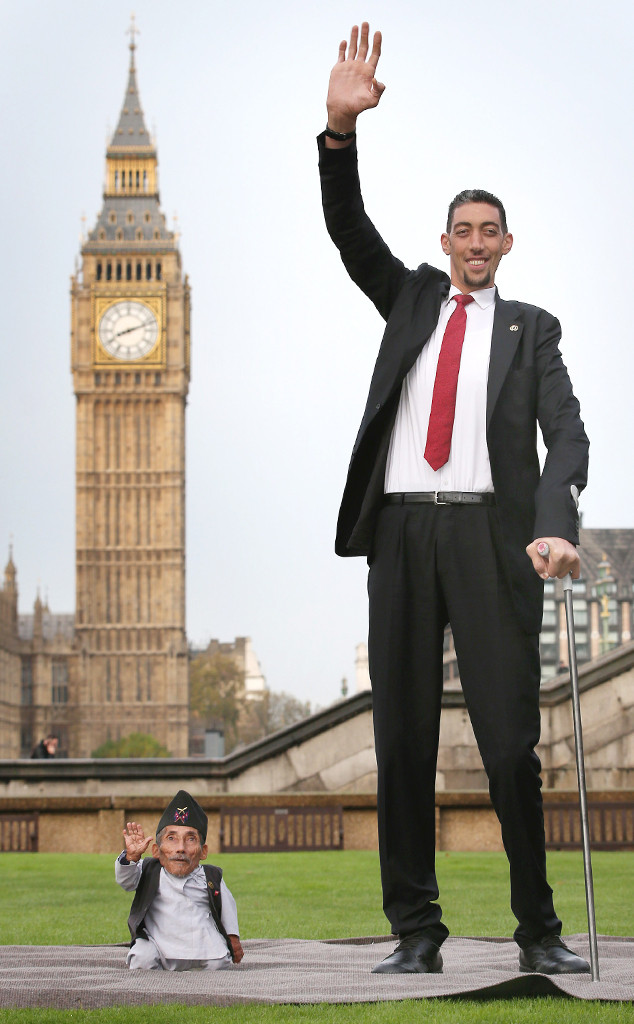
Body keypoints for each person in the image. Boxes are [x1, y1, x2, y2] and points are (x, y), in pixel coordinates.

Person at [319, 23, 590, 976]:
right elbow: (348, 230)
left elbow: (570, 437)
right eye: (461, 232)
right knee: (402, 739)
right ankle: (417, 934)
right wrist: (340, 130)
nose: (475, 245)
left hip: (489, 538)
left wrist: (555, 526)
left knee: (512, 742)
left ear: (506, 245)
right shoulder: (409, 300)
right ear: (445, 243)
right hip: (400, 534)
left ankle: (539, 929)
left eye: (490, 233)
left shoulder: (532, 330)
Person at [115, 790, 244, 970]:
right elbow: (126, 881)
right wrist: (131, 857)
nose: (180, 848)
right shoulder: (149, 870)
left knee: (219, 964)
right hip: (158, 942)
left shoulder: (211, 877)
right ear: (156, 851)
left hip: (202, 943)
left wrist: (233, 938)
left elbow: (227, 907)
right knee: (142, 960)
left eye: (191, 839)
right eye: (171, 839)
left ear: (203, 851)